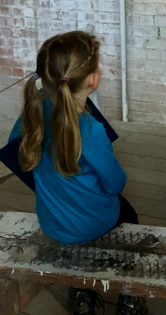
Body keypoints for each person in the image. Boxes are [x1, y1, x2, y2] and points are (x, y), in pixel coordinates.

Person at [9, 31, 148, 315]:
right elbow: (115, 184)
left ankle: (85, 295)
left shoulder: (31, 117)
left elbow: (15, 153)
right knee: (130, 217)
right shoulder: (90, 131)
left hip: (52, 222)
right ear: (93, 79)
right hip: (94, 223)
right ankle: (130, 295)